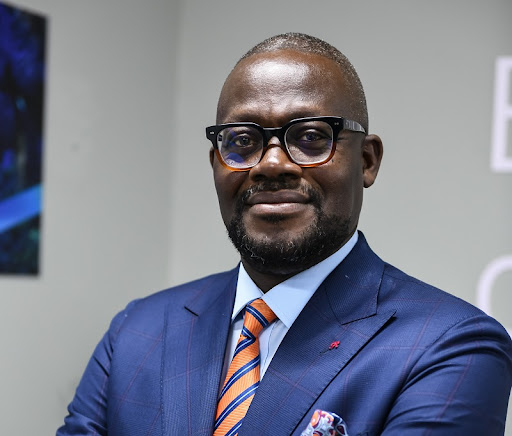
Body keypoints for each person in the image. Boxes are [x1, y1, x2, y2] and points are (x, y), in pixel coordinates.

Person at [58, 33, 512, 436]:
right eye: (242, 141)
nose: (271, 164)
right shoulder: (138, 330)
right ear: (216, 163)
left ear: (367, 161)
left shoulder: (451, 346)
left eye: (311, 137)